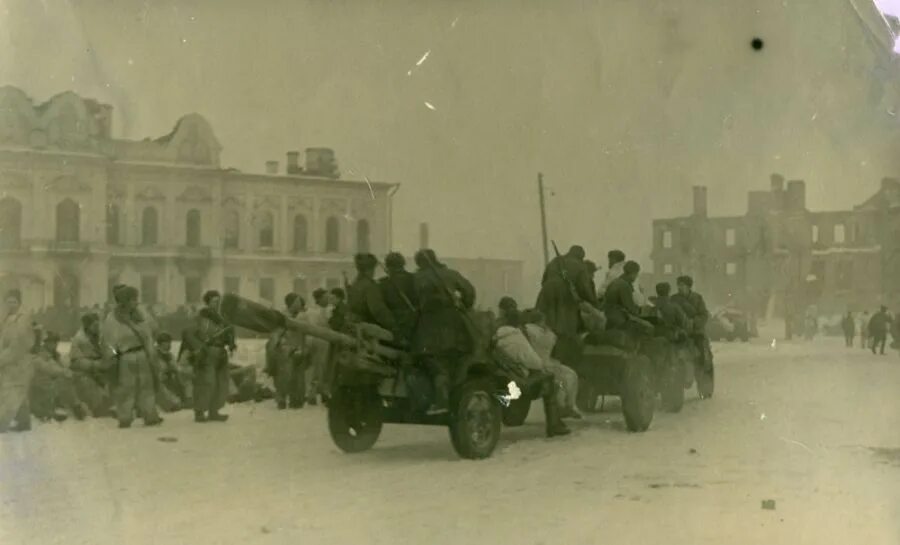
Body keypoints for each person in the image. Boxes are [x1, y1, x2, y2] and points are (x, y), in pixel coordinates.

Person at [412, 248, 476, 414]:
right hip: (454, 325)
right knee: (458, 362)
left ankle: (442, 399)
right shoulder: (450, 274)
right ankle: (456, 397)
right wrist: (465, 305)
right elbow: (469, 292)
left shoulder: (416, 278)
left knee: (434, 363)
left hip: (427, 326)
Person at [101, 285, 163, 428]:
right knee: (126, 388)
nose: (136, 302)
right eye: (132, 299)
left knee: (147, 386)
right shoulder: (112, 318)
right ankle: (125, 417)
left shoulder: (141, 314)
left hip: (142, 354)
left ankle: (150, 415)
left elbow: (153, 330)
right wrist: (113, 358)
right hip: (125, 356)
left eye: (136, 299)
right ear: (124, 301)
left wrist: (150, 351)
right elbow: (108, 341)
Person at [535, 245, 597, 368]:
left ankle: (545, 355)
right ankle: (562, 361)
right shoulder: (580, 266)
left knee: (544, 325)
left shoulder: (554, 261)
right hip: (565, 296)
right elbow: (584, 289)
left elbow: (543, 281)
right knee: (564, 329)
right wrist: (594, 303)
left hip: (545, 294)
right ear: (580, 257)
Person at [521, 308, 581, 420]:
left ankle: (564, 406)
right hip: (546, 362)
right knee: (570, 375)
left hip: (535, 363)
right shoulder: (550, 334)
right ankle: (569, 405)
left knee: (561, 380)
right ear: (542, 320)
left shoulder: (526, 330)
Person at [185, 290, 234, 422]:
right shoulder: (200, 317)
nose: (217, 304)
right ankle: (199, 412)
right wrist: (199, 347)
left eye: (218, 301)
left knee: (220, 383)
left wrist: (231, 342)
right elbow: (189, 334)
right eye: (214, 301)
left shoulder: (222, 318)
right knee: (206, 383)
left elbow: (229, 332)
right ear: (207, 302)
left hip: (221, 352)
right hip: (206, 353)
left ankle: (214, 411)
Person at [30, 331, 89, 422]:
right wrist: (67, 373)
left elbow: (61, 367)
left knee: (75, 380)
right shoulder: (41, 354)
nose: (55, 344)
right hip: (40, 388)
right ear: (45, 343)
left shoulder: (55, 355)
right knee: (63, 382)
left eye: (56, 342)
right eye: (52, 342)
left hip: (49, 387)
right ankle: (75, 406)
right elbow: (51, 369)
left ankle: (80, 404)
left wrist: (70, 372)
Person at [0, 289, 36, 432]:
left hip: (18, 362)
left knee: (11, 392)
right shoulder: (7, 317)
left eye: (14, 301)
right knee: (18, 393)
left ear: (19, 303)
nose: (11, 304)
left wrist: (1, 359)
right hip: (10, 360)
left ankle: (2, 424)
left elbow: (18, 345)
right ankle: (24, 421)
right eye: (8, 301)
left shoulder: (22, 319)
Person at [69, 312, 115, 418]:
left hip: (100, 371)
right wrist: (96, 365)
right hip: (85, 373)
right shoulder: (79, 340)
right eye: (94, 325)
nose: (97, 327)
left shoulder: (100, 337)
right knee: (90, 388)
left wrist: (114, 356)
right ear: (87, 326)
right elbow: (75, 362)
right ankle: (95, 407)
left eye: (98, 325)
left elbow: (109, 349)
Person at [266, 293, 308, 409]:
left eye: (300, 302)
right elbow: (276, 334)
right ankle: (281, 399)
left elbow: (305, 335)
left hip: (299, 348)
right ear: (291, 303)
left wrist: (303, 348)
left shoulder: (303, 317)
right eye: (297, 302)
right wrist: (283, 348)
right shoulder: (282, 316)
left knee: (298, 377)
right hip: (285, 350)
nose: (300, 305)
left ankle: (296, 400)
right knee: (283, 377)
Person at [346, 253, 399, 336]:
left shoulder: (355, 284)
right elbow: (378, 311)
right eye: (373, 269)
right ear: (369, 269)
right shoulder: (370, 286)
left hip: (352, 327)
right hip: (365, 330)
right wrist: (394, 326)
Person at [672, 275, 712, 372]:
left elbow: (704, 315)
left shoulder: (697, 298)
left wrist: (693, 323)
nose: (679, 287)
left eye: (682, 285)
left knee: (701, 350)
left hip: (696, 331)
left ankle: (702, 372)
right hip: (680, 331)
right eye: (678, 285)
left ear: (688, 286)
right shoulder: (674, 299)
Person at [379, 252, 419, 342]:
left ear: (388, 266)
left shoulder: (383, 283)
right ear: (403, 264)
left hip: (394, 323)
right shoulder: (414, 278)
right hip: (414, 321)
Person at [603, 261, 643, 332]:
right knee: (648, 327)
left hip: (608, 315)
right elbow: (629, 307)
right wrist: (639, 313)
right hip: (619, 318)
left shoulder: (615, 282)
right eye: (636, 274)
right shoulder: (624, 285)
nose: (636, 276)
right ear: (633, 273)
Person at [154, 332, 189, 411]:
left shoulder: (169, 355)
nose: (169, 345)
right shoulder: (154, 353)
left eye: (170, 342)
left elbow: (176, 368)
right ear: (161, 343)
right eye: (167, 343)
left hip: (168, 380)